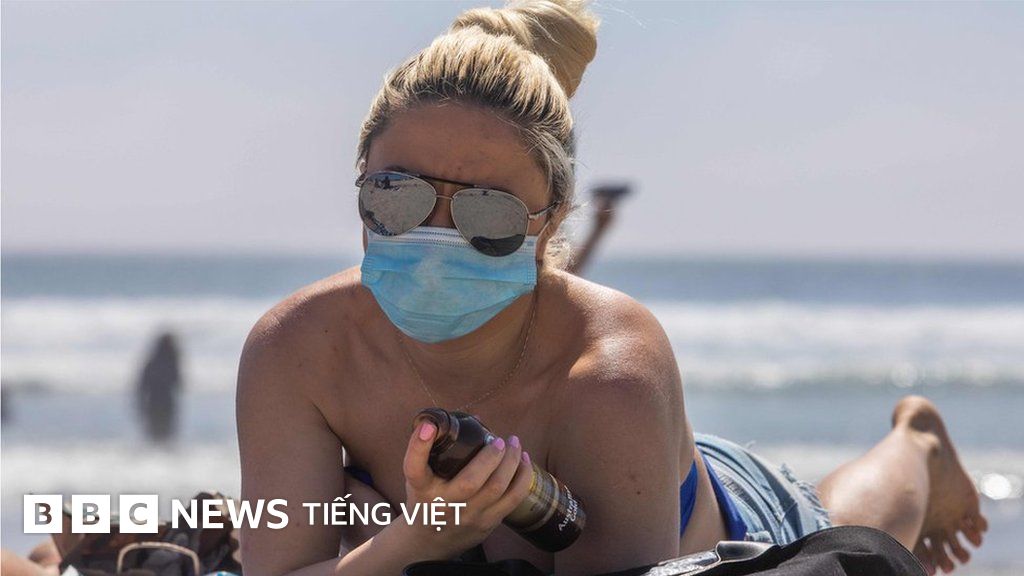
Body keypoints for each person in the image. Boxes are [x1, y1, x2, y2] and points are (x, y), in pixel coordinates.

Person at [236, 1, 987, 575]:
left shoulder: (610, 372)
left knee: (853, 529)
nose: (434, 237)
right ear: (360, 183)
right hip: (618, 466)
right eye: (396, 196)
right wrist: (415, 540)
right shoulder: (297, 349)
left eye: (488, 213)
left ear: (551, 222)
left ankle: (916, 444)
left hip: (718, 521)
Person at [136, 330, 182, 442]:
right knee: (164, 435)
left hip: (154, 403)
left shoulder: (152, 362)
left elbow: (142, 386)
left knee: (156, 435)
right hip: (166, 403)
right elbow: (178, 383)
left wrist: (141, 406)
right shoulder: (172, 363)